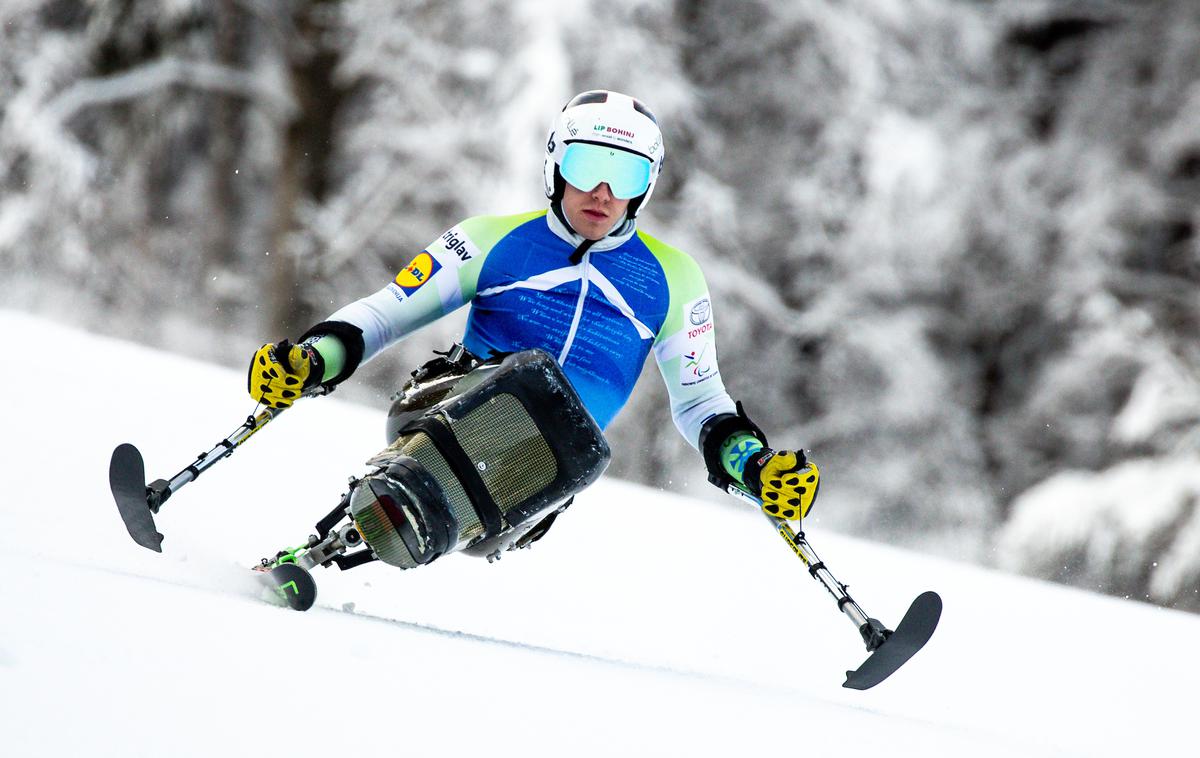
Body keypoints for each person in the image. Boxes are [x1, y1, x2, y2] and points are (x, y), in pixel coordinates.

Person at [248, 90, 819, 566]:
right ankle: (325, 544)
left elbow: (699, 402)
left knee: (575, 433)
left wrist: (753, 463)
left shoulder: (673, 279)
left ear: (645, 187)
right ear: (555, 166)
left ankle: (360, 535)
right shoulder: (489, 240)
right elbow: (385, 313)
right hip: (444, 412)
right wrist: (314, 357)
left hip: (542, 474)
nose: (602, 192)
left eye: (625, 174)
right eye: (586, 167)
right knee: (531, 379)